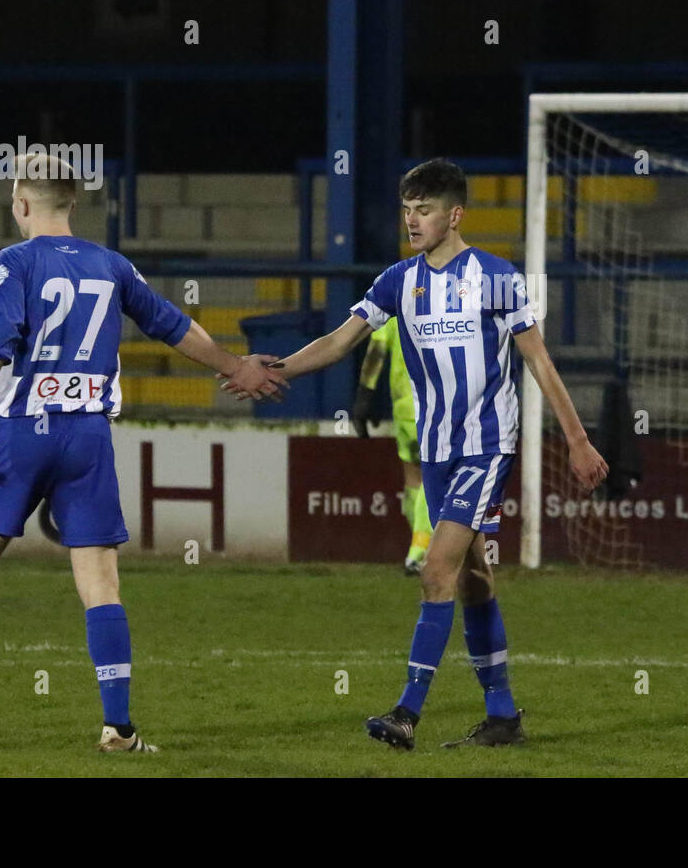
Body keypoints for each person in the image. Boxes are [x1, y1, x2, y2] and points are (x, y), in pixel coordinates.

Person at [0, 156, 285, 752]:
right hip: (88, 436)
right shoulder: (112, 264)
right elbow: (170, 324)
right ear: (73, 204)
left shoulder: (15, 261)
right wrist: (236, 366)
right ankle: (118, 729)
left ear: (21, 204)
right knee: (101, 582)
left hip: (23, 432)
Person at [226, 157, 607, 749]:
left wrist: (578, 440)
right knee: (475, 579)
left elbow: (538, 360)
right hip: (435, 452)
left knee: (436, 570)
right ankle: (503, 717)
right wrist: (278, 368)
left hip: (485, 447)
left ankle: (406, 713)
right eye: (407, 210)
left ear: (454, 215)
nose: (412, 220)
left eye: (423, 210)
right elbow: (340, 340)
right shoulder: (398, 281)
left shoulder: (498, 278)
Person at [352, 316, 432, 574]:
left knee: (413, 478)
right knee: (433, 480)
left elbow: (377, 350)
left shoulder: (396, 300)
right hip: (435, 406)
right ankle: (419, 553)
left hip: (404, 407)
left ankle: (422, 549)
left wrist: (365, 396)